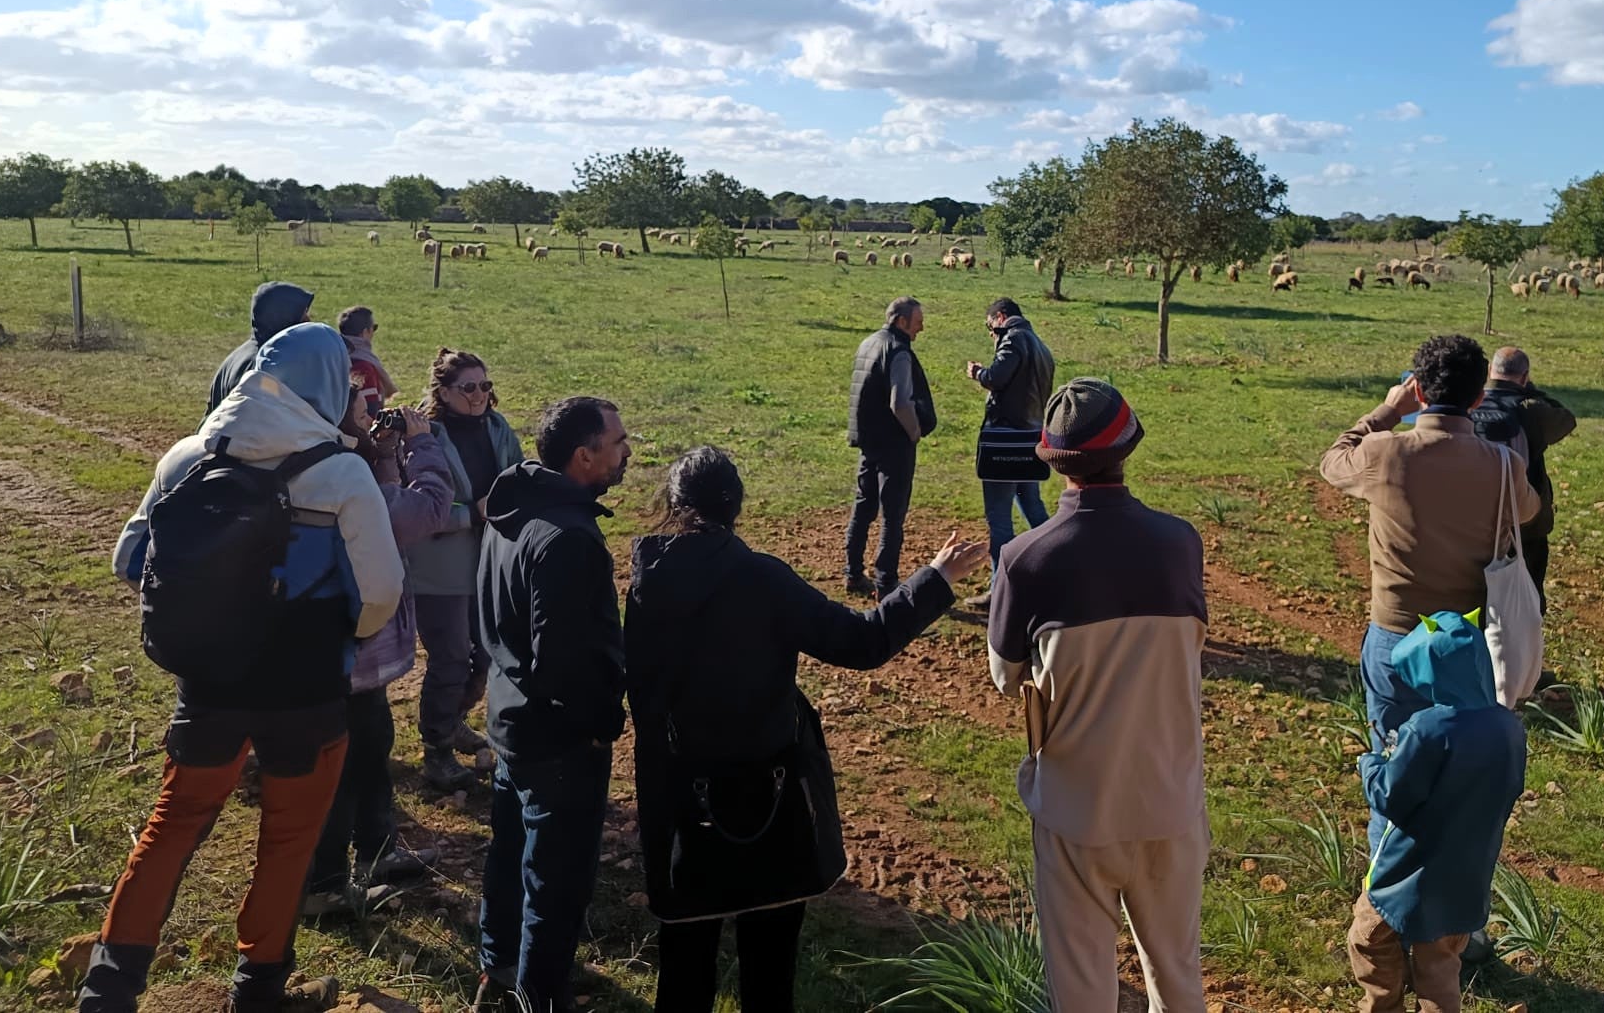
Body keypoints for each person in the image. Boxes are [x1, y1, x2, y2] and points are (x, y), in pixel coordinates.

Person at [85, 325, 404, 1013]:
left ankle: (108, 987)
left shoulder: (186, 457)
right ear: (322, 384)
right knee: (289, 841)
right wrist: (341, 637)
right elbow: (381, 590)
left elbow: (126, 561)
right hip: (308, 691)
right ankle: (257, 990)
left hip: (206, 685)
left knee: (171, 826)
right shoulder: (341, 471)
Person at [627, 446, 986, 1013]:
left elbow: (640, 690)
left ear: (673, 505)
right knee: (770, 969)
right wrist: (935, 579)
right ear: (735, 505)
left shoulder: (645, 581)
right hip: (764, 798)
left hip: (680, 798)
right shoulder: (759, 577)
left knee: (684, 963)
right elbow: (862, 642)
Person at [987, 379, 1208, 1013]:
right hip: (1170, 798)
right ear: (1128, 449)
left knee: (1082, 987)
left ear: (1052, 460)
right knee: (1176, 974)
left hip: (1076, 810)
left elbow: (1007, 678)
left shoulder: (1026, 559)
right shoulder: (1180, 543)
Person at [475, 397, 633, 1013]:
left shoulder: (510, 510)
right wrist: (597, 729)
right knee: (556, 881)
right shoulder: (567, 540)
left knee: (509, 852)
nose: (627, 452)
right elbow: (564, 662)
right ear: (584, 456)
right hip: (556, 740)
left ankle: (499, 968)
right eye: (619, 442)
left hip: (509, 717)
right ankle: (539, 997)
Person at [1320, 335, 1540, 742]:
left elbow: (1332, 462)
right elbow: (1529, 511)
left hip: (1397, 631)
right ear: (1478, 398)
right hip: (1469, 638)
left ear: (1417, 390)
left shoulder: (1384, 453)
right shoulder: (1505, 466)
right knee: (1463, 766)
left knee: (1395, 766)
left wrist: (1388, 410)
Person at [303, 394, 461, 916]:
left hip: (347, 654)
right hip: (340, 654)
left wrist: (385, 451)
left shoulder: (324, 454)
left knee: (372, 748)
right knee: (343, 766)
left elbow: (385, 499)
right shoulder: (338, 473)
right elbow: (425, 511)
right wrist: (422, 446)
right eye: (359, 404)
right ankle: (323, 886)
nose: (372, 411)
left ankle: (378, 851)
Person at [1350, 611, 1527, 1013]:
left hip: (1408, 876)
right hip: (1468, 876)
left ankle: (1383, 1005)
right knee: (1440, 968)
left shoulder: (1428, 728)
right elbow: (1511, 789)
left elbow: (1391, 797)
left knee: (1368, 938)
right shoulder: (1509, 727)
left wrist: (1372, 763)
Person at [417, 348, 523, 791]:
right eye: (468, 388)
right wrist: (473, 513)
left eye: (485, 386)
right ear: (443, 391)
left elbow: (517, 476)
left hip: (489, 559)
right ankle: (436, 750)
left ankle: (453, 720)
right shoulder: (424, 439)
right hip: (439, 566)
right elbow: (419, 509)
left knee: (484, 654)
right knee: (452, 657)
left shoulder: (498, 428)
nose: (479, 395)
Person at [962, 297, 1056, 610]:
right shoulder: (1040, 345)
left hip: (1005, 442)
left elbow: (996, 378)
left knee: (999, 518)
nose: (991, 334)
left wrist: (977, 372)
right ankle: (1056, 570)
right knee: (1033, 508)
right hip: (1030, 439)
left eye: (990, 327)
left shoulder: (1012, 340)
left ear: (1000, 317)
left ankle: (1000, 590)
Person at [1469, 347, 1577, 611]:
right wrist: (1530, 390)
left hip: (1472, 521)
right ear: (1524, 376)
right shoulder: (1530, 409)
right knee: (1527, 600)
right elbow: (1566, 419)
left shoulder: (1469, 404)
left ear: (1490, 373)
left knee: (1474, 598)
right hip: (1525, 522)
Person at [844, 297, 937, 599]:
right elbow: (900, 403)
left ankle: (853, 573)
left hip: (868, 441)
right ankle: (886, 585)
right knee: (892, 516)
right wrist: (913, 433)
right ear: (901, 321)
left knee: (863, 507)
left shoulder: (868, 342)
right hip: (893, 445)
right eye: (918, 321)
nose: (921, 327)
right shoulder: (898, 351)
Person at [206, 280, 314, 416]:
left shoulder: (238, 356)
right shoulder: (267, 366)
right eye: (302, 315)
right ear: (283, 318)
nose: (309, 321)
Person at [338, 305, 397, 418]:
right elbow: (371, 411)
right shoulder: (363, 366)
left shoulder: (334, 355)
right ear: (365, 332)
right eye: (373, 328)